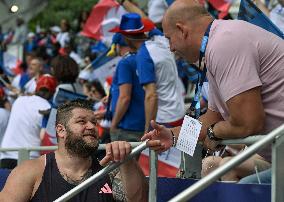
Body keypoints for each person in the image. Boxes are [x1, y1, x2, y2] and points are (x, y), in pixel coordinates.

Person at [142, 0, 284, 181]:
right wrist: (172, 136)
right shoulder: (218, 42)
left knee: (244, 186)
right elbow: (212, 118)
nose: (171, 48)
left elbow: (248, 123)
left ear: (182, 30)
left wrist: (214, 133)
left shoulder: (224, 43)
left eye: (169, 38)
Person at [0, 99, 148, 202]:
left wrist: (128, 161)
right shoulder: (30, 171)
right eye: (82, 121)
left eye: (94, 122)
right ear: (61, 130)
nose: (91, 127)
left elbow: (140, 200)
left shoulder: (110, 172)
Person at [111, 13, 185, 132]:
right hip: (179, 113)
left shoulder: (143, 56)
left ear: (125, 37)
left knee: (149, 150)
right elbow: (148, 22)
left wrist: (147, 129)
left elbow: (151, 96)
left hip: (163, 120)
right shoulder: (161, 39)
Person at [0, 75, 57, 169]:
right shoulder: (49, 108)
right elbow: (47, 138)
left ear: (36, 89)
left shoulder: (19, 100)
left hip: (7, 154)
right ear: (53, 93)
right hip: (30, 157)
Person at [108, 33, 145, 142]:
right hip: (140, 123)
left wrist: (114, 124)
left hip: (126, 126)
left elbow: (125, 98)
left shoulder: (125, 62)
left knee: (122, 159)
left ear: (117, 46)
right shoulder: (142, 59)